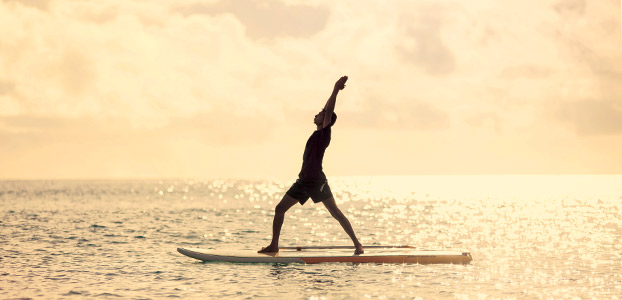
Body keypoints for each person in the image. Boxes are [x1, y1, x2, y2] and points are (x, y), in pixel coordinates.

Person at [259, 76, 364, 255]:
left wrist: (335, 89)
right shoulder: (316, 134)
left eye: (319, 114)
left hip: (316, 181)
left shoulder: (324, 134)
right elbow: (326, 111)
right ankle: (274, 245)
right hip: (303, 181)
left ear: (326, 120)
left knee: (335, 212)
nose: (315, 115)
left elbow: (329, 110)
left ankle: (358, 245)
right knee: (280, 209)